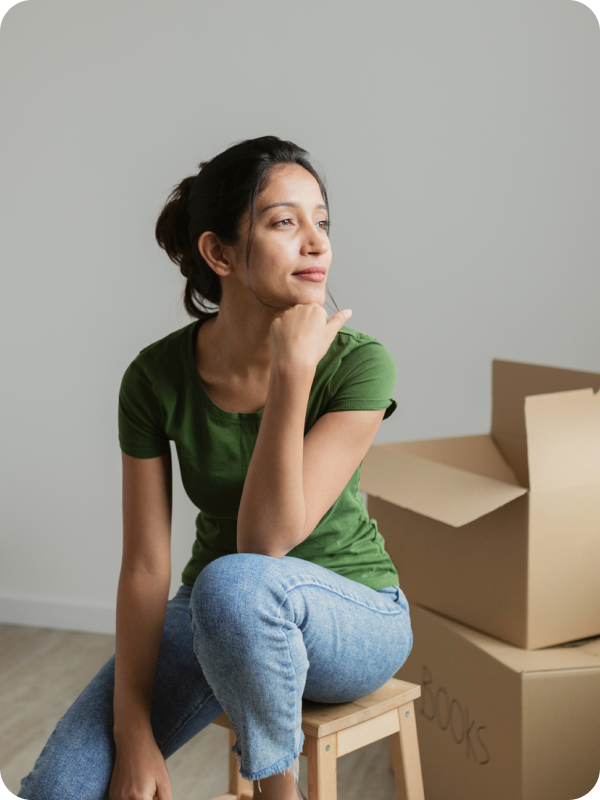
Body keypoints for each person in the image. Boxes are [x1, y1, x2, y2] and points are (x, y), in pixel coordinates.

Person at [18, 135, 413, 800]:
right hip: (216, 616)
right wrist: (133, 730)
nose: (316, 243)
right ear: (219, 252)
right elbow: (145, 565)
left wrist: (293, 378)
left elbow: (267, 544)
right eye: (285, 222)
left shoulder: (358, 363)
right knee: (62, 787)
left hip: (351, 620)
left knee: (236, 582)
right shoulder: (155, 377)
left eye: (322, 221)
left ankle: (276, 790)